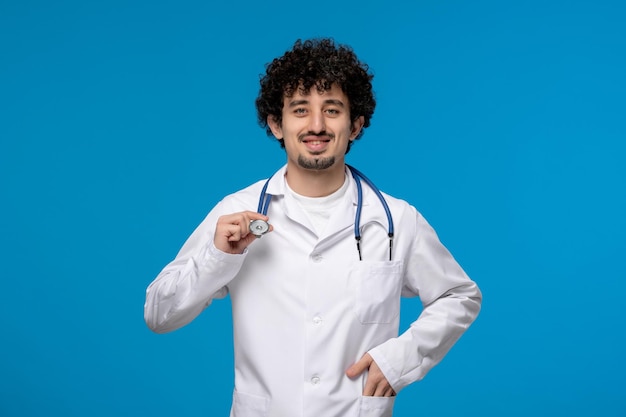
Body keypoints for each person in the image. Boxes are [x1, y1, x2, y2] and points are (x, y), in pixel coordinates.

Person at [144, 38, 481, 417]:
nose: (316, 125)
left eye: (332, 110)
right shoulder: (236, 212)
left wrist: (400, 359)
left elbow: (460, 296)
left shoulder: (396, 219)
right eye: (300, 110)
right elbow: (160, 315)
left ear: (355, 125)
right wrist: (217, 258)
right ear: (276, 124)